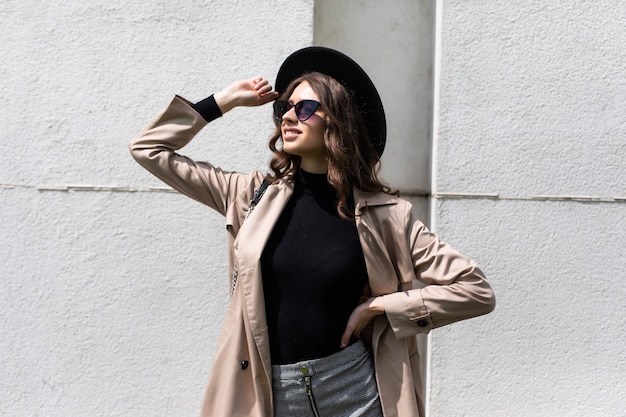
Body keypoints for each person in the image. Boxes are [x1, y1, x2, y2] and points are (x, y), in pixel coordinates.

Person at [129, 46, 495, 417]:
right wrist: (224, 101)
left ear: (337, 122)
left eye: (304, 108)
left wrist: (381, 306)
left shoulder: (386, 217)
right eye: (283, 108)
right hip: (270, 394)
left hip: (354, 391)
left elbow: (475, 290)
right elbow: (148, 149)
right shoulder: (247, 196)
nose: (288, 116)